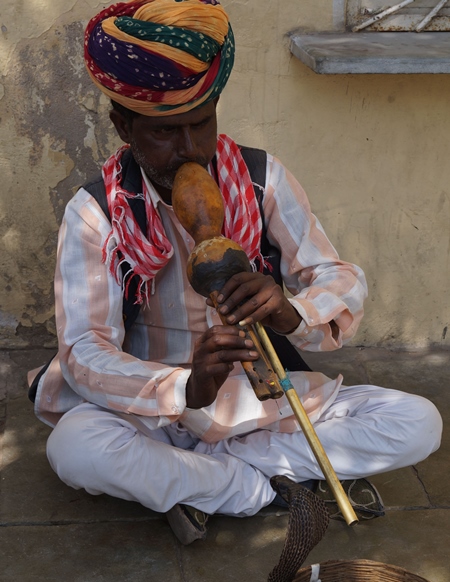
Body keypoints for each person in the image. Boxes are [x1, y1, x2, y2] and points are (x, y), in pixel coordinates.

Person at [29, 0, 442, 545]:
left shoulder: (261, 179)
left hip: (262, 404)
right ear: (122, 124)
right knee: (76, 448)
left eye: (201, 124)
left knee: (419, 422)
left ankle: (207, 485)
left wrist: (292, 312)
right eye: (164, 132)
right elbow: (84, 352)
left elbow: (340, 278)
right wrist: (183, 387)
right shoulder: (95, 211)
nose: (189, 149)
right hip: (155, 411)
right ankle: (266, 487)